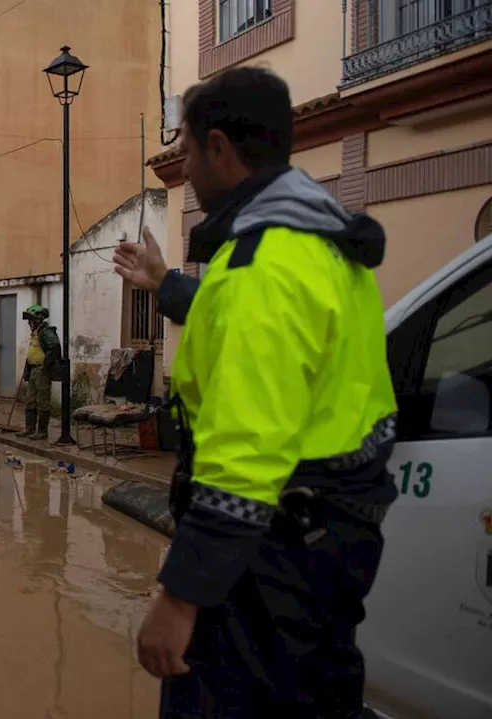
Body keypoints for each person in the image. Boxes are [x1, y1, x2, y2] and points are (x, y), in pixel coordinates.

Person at [117, 67, 398, 718]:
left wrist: (181, 595)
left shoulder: (262, 264)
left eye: (185, 153)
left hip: (268, 560)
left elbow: (245, 449)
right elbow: (245, 325)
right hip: (331, 537)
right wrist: (164, 282)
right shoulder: (318, 242)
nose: (182, 169)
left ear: (220, 148)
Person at [16, 304, 61, 441]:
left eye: (30, 320)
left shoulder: (46, 332)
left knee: (43, 401)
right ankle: (29, 428)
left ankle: (42, 431)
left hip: (42, 370)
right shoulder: (35, 333)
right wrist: (26, 372)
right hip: (33, 370)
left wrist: (46, 366)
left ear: (37, 320)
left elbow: (54, 347)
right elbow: (32, 354)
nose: (29, 323)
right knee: (30, 400)